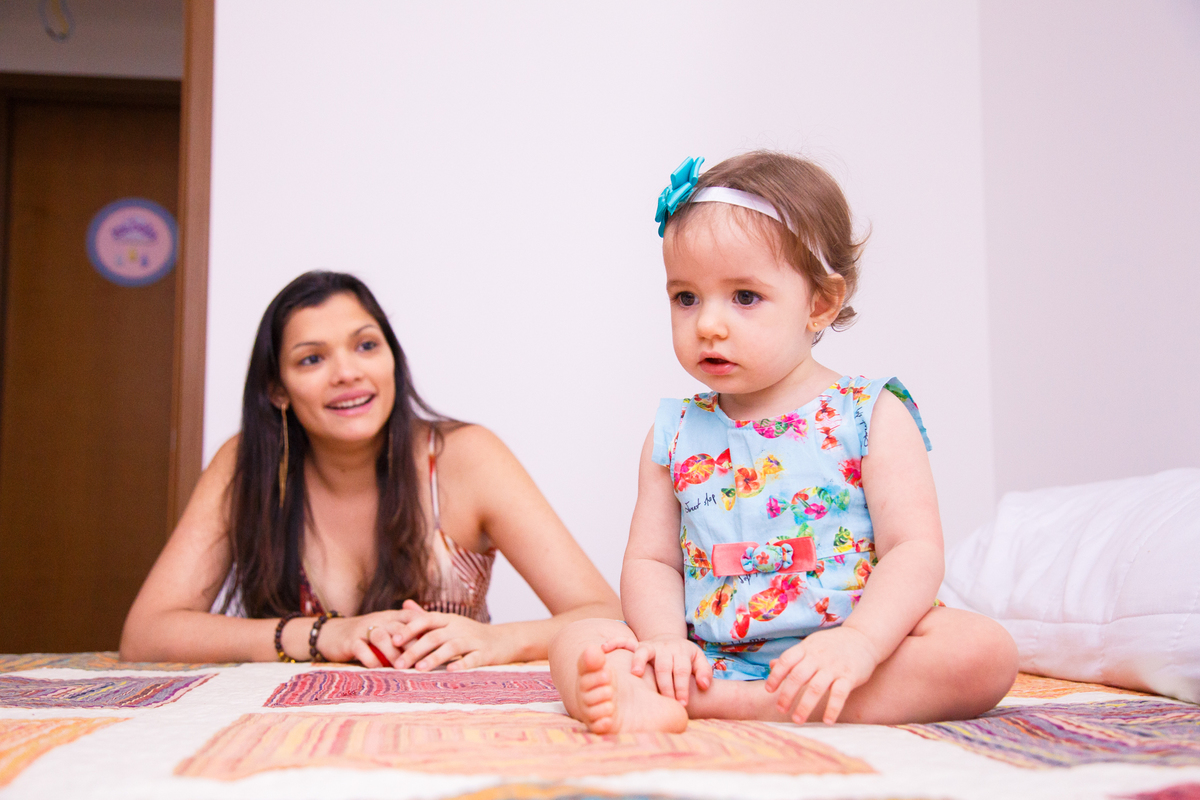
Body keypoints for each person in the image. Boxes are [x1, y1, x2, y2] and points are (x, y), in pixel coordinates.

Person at [549, 152, 1018, 732]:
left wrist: (861, 643)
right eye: (685, 297)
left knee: (982, 649)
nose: (707, 324)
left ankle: (734, 708)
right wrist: (667, 643)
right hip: (709, 657)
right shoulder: (675, 433)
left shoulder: (869, 415)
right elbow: (651, 560)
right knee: (578, 641)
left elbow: (913, 550)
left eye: (744, 297)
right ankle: (684, 691)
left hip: (848, 657)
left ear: (820, 303)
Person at [121, 271, 619, 668]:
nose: (347, 373)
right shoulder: (248, 464)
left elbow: (607, 616)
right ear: (277, 389)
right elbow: (147, 635)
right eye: (312, 358)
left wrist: (496, 641)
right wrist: (321, 634)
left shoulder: (466, 457)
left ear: (392, 360)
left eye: (365, 345)